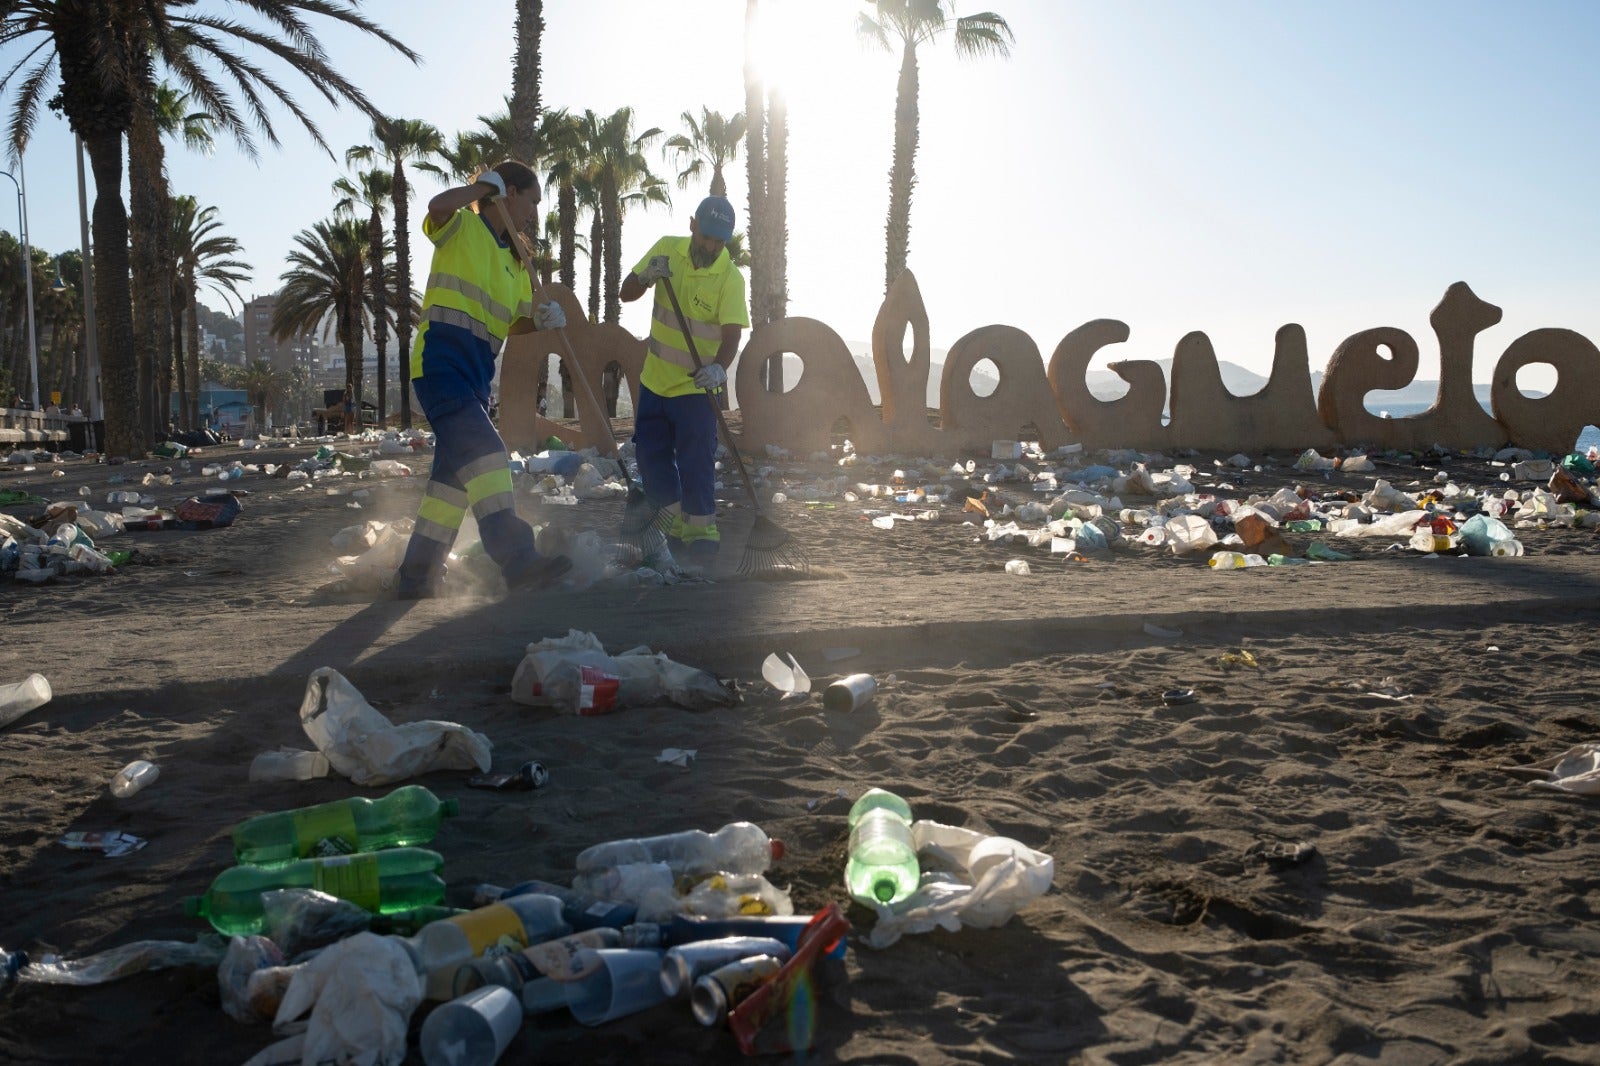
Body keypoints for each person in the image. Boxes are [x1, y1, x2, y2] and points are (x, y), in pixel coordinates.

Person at [395, 160, 572, 599]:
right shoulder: (462, 228)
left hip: (474, 381)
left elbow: (513, 321)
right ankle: (519, 560)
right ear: (507, 191)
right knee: (490, 456)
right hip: (439, 367)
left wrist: (541, 318)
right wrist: (479, 190)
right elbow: (436, 207)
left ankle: (416, 577)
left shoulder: (515, 265)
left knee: (449, 490)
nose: (533, 214)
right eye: (531, 201)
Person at [618, 195, 750, 568]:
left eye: (719, 241)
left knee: (696, 463)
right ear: (692, 225)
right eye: (706, 236)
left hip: (697, 388)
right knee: (651, 459)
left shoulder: (730, 278)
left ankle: (702, 535)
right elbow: (625, 293)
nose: (710, 246)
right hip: (654, 383)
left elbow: (731, 337)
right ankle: (673, 529)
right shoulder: (667, 249)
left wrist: (720, 369)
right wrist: (646, 277)